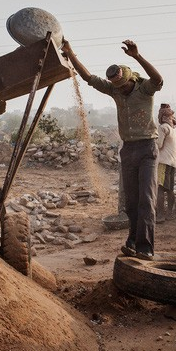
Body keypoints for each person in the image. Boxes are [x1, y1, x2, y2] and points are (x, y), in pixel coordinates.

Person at [62, 39, 163, 260]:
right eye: (118, 88)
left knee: (146, 200)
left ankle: (146, 247)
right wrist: (70, 53)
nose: (122, 90)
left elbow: (158, 79)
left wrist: (137, 56)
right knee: (131, 202)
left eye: (124, 86)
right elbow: (89, 78)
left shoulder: (145, 89)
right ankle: (132, 241)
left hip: (147, 148)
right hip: (128, 150)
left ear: (131, 80)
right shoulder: (115, 91)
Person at [156, 103, 176, 223]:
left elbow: (159, 145)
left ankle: (160, 215)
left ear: (162, 116)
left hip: (163, 162)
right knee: (169, 189)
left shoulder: (163, 128)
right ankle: (170, 214)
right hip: (172, 163)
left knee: (160, 188)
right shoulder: (175, 130)